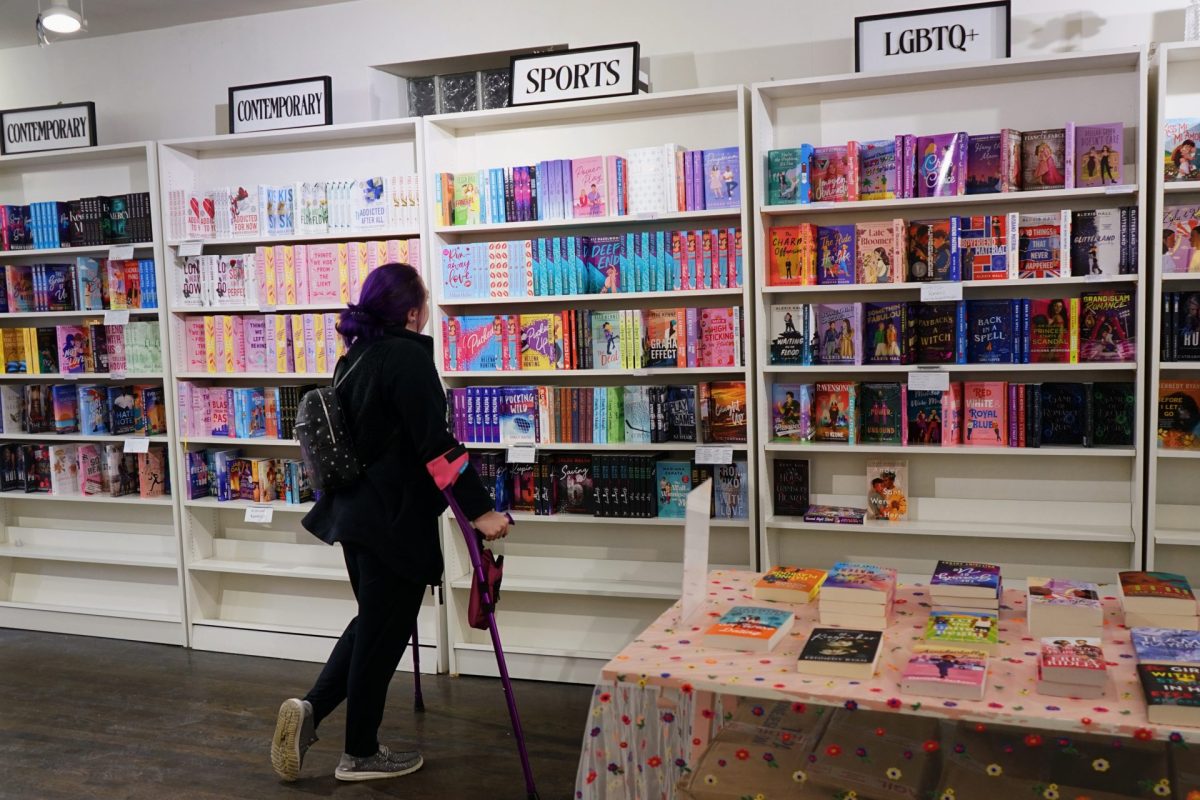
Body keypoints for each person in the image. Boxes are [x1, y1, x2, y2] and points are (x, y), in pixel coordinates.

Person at [272, 263, 509, 783]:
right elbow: (436, 446)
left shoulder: (354, 359)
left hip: (353, 517)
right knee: (382, 632)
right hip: (392, 521)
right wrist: (482, 511)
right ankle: (358, 753)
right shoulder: (407, 358)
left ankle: (310, 711)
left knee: (374, 626)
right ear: (411, 310)